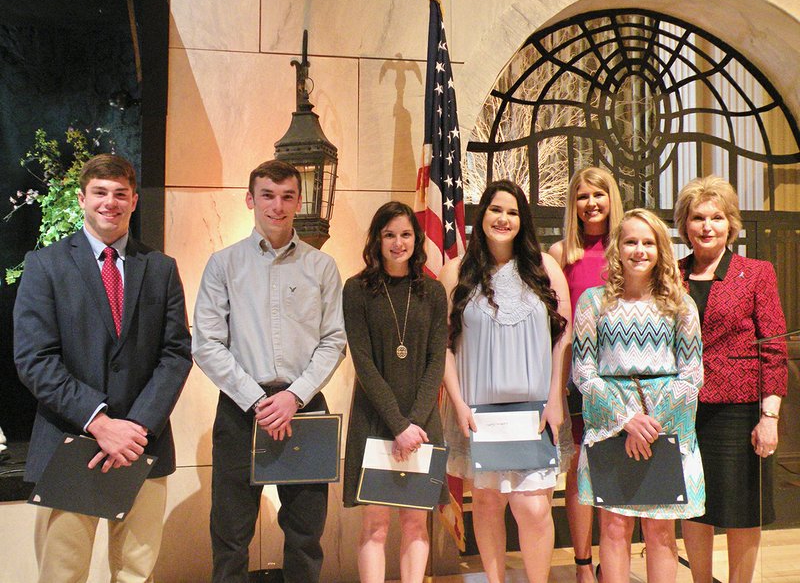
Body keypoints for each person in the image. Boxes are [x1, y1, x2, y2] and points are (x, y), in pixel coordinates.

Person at [14, 153, 192, 582]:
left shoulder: (161, 269)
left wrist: (135, 427)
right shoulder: (45, 266)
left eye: (119, 194)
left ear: (133, 201)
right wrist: (100, 422)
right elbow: (34, 359)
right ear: (81, 198)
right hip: (70, 441)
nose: (109, 202)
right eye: (99, 193)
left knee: (136, 573)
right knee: (63, 574)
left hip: (140, 445)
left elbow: (176, 354)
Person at [192, 159, 346, 583]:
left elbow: (334, 340)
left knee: (305, 533)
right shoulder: (223, 264)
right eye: (267, 195)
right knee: (230, 533)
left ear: (299, 201)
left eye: (287, 196)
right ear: (250, 199)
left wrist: (294, 396)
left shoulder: (322, 267)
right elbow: (206, 344)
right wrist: (259, 401)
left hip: (306, 409)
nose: (277, 206)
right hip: (243, 412)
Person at [439, 179, 571, 583]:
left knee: (533, 508)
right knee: (486, 503)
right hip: (478, 414)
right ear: (482, 217)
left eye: (513, 212)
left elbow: (563, 335)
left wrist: (555, 399)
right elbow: (442, 344)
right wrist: (458, 403)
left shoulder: (544, 268)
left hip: (533, 413)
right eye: (496, 209)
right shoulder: (456, 271)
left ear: (523, 220)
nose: (504, 218)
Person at [572, 208, 704, 583]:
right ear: (618, 247)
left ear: (661, 249)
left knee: (660, 531)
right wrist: (625, 420)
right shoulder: (593, 303)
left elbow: (693, 372)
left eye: (648, 242)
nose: (639, 250)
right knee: (614, 527)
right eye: (631, 241)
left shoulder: (680, 304)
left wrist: (652, 424)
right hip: (611, 424)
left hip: (666, 426)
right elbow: (583, 370)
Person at [674, 176, 788, 583]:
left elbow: (773, 348)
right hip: (684, 410)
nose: (707, 226)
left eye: (716, 217)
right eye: (698, 217)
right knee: (693, 506)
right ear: (684, 224)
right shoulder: (671, 275)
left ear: (730, 224)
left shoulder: (756, 273)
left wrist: (769, 417)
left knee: (743, 510)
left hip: (740, 411)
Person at [342, 201, 448, 583]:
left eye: (405, 234)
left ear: (416, 240)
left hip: (421, 426)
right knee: (374, 524)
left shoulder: (433, 292)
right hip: (374, 418)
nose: (398, 243)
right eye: (389, 234)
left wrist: (413, 424)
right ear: (377, 240)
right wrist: (397, 425)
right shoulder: (356, 290)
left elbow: (437, 361)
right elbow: (363, 363)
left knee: (416, 522)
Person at [549, 166, 623, 583]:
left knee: (615, 466)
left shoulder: (629, 248)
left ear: (612, 198)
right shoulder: (562, 254)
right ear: (573, 205)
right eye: (582, 196)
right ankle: (581, 563)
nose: (591, 203)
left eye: (599, 194)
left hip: (623, 376)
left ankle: (613, 560)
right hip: (579, 377)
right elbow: (555, 325)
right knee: (580, 470)